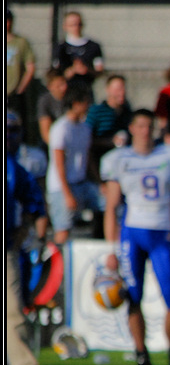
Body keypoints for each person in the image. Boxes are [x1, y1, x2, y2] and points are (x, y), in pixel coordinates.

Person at [100, 109, 170, 365]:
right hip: (132, 233)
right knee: (133, 296)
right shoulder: (118, 159)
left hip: (162, 232)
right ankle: (142, 356)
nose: (145, 131)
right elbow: (111, 207)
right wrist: (111, 249)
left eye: (149, 126)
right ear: (131, 128)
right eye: (140, 125)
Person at [6, 113, 47, 365]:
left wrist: (24, 231)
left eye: (15, 130)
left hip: (5, 244)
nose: (10, 135)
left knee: (12, 309)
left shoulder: (13, 168)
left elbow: (34, 202)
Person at [45, 81, 102, 245]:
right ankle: (58, 265)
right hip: (62, 186)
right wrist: (67, 193)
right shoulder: (60, 129)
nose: (88, 106)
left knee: (109, 203)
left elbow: (88, 157)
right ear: (76, 104)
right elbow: (58, 163)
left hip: (82, 183)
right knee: (63, 229)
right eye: (85, 102)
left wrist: (99, 182)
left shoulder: (85, 128)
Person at [86, 73, 133, 175]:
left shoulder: (128, 113)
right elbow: (87, 139)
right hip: (101, 162)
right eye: (117, 89)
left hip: (123, 163)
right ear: (108, 90)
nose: (121, 93)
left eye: (123, 89)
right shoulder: (96, 111)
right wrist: (109, 142)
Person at [53, 11, 104, 96]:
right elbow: (55, 73)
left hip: (86, 89)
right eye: (72, 25)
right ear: (65, 27)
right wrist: (71, 71)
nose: (76, 27)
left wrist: (87, 70)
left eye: (78, 24)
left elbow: (100, 70)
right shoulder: (60, 47)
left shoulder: (93, 46)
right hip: (66, 91)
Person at [6, 9, 37, 126]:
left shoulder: (21, 42)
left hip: (14, 92)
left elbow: (30, 68)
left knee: (16, 124)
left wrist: (20, 89)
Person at [36, 68, 68, 147]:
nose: (63, 88)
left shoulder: (71, 97)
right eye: (59, 85)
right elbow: (45, 133)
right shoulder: (45, 101)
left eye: (64, 83)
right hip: (53, 144)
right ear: (50, 87)